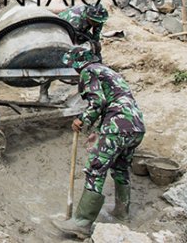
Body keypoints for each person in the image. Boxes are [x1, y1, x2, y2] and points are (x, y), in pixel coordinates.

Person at [53, 46, 145, 239]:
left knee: (96, 169)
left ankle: (82, 222)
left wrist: (82, 119)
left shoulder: (89, 71)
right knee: (120, 168)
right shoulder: (109, 72)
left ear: (77, 63)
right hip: (135, 126)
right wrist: (98, 131)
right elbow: (113, 103)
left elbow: (98, 102)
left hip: (117, 126)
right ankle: (122, 212)